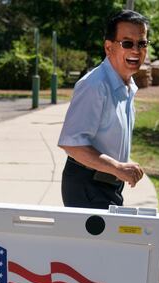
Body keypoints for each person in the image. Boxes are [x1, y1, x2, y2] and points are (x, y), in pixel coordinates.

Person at [58, 10, 148, 209]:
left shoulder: (126, 85)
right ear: (109, 47)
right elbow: (72, 145)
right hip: (88, 187)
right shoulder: (94, 85)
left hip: (108, 185)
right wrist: (117, 167)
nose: (136, 50)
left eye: (141, 43)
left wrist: (123, 167)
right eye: (127, 43)